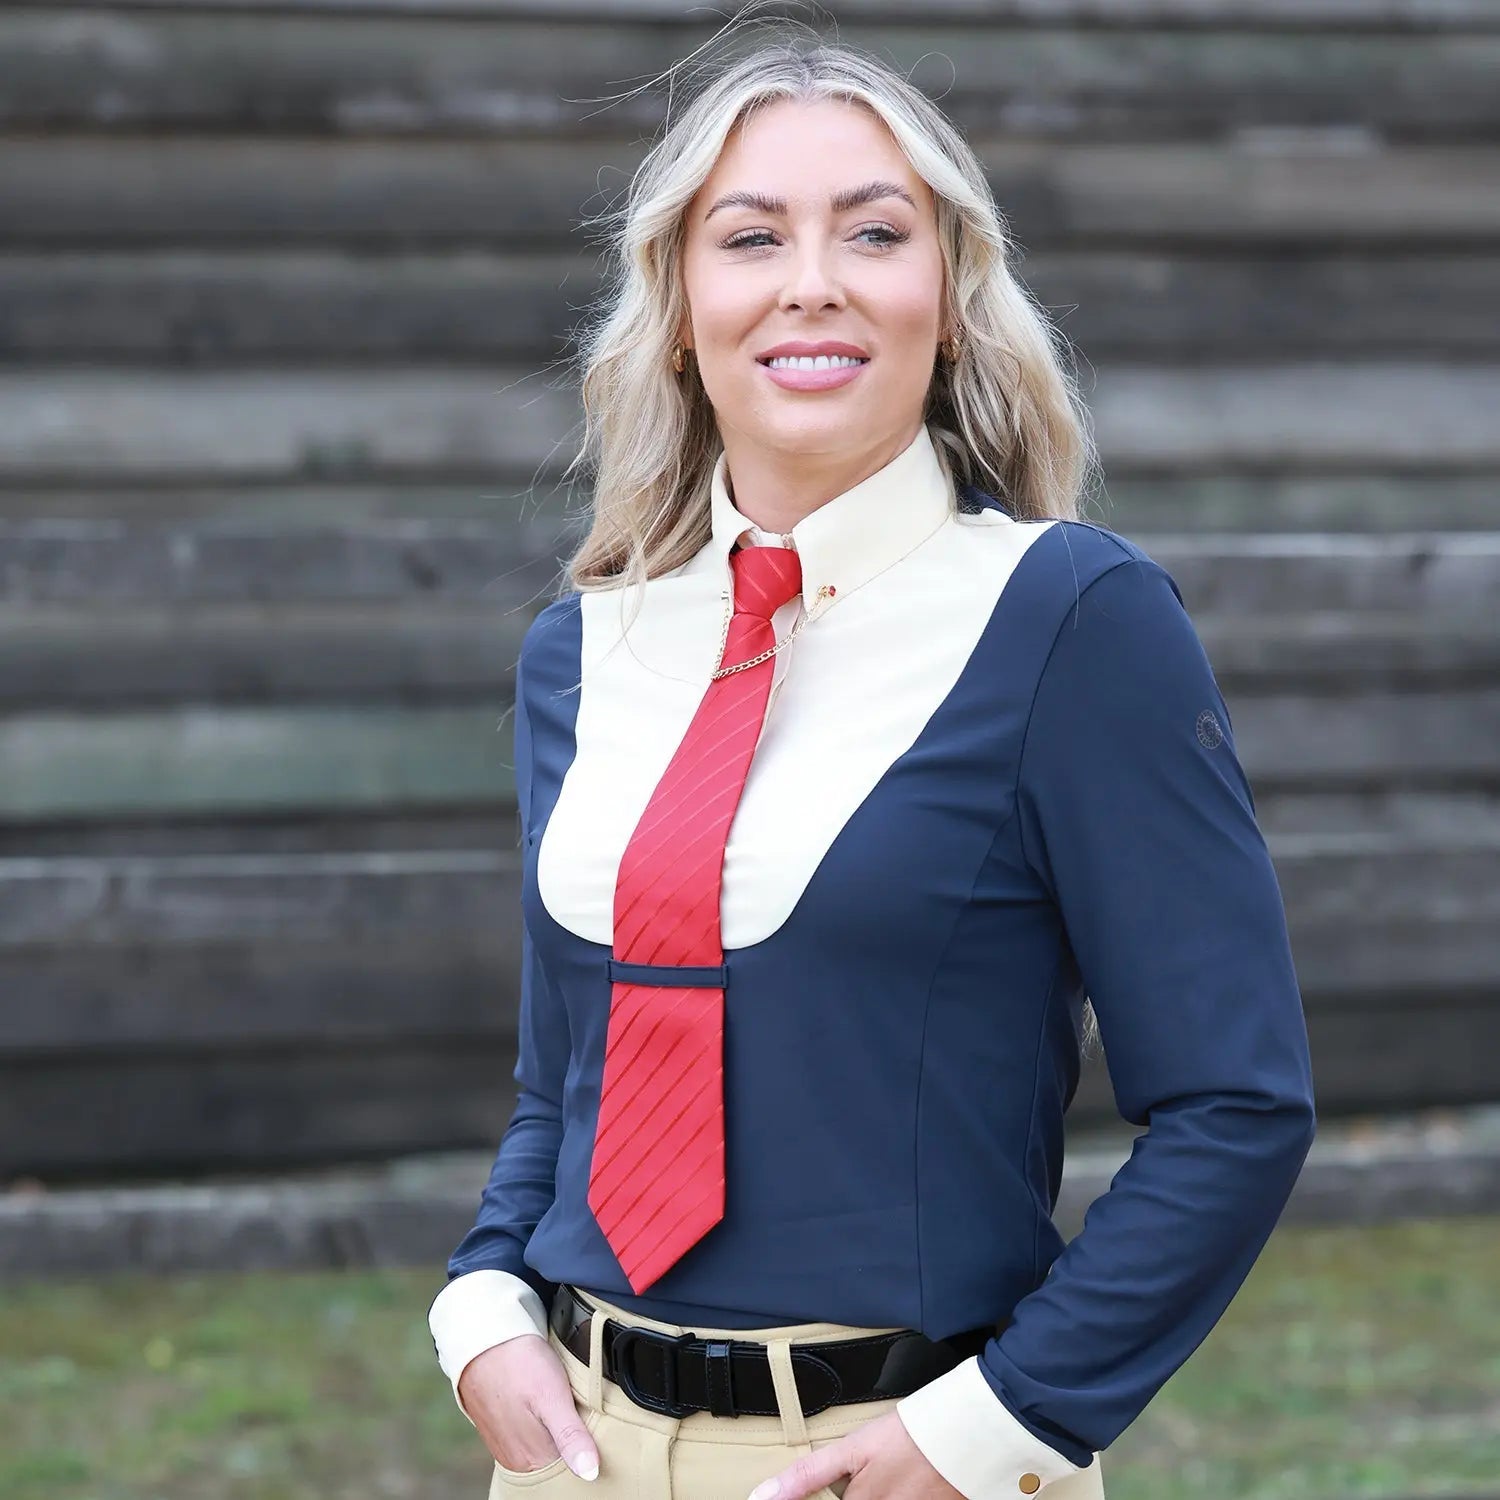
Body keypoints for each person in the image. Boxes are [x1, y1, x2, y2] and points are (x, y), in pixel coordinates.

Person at [427, 26, 1318, 1500]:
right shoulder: (582, 648)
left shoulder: (1074, 621)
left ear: (949, 302)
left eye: (875, 232)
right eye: (751, 237)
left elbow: (1238, 1105)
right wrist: (479, 1307)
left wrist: (1001, 1425)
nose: (812, 281)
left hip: (898, 1460)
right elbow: (565, 1082)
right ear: (680, 308)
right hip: (573, 1455)